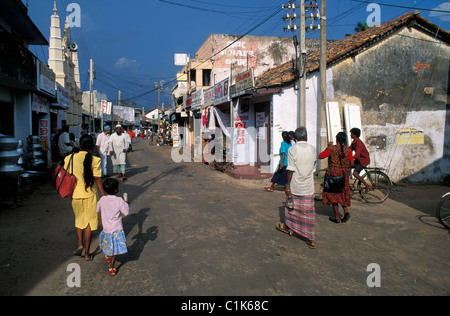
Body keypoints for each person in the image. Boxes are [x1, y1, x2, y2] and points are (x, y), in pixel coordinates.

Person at [65, 134, 106, 261]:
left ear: (79, 145)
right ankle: (87, 253)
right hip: (91, 195)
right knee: (89, 224)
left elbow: (68, 175)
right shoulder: (95, 160)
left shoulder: (70, 158)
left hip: (76, 195)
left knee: (79, 220)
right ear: (91, 147)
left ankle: (80, 245)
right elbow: (97, 179)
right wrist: (104, 195)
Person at [276, 127, 317, 249]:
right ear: (306, 136)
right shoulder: (313, 149)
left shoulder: (293, 150)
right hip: (308, 187)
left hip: (296, 186)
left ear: (296, 137)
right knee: (309, 214)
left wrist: (287, 186)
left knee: (290, 210)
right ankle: (311, 239)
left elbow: (290, 169)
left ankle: (288, 227)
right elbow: (313, 167)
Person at [319, 132, 354, 223]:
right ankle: (346, 211)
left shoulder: (332, 149)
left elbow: (321, 156)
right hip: (344, 174)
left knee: (334, 194)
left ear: (336, 139)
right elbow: (351, 163)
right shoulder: (348, 150)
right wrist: (345, 169)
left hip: (333, 174)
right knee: (342, 193)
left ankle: (337, 216)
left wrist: (327, 146)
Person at [97, 178, 129, 276]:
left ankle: (107, 255)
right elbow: (126, 212)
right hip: (116, 230)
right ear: (116, 190)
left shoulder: (102, 199)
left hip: (106, 229)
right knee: (114, 250)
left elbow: (97, 209)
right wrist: (127, 202)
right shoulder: (119, 200)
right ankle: (111, 267)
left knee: (107, 243)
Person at [350, 127, 371, 192]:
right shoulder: (354, 142)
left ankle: (367, 185)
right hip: (359, 160)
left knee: (355, 173)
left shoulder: (359, 142)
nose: (350, 135)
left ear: (354, 135)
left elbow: (357, 154)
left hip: (363, 160)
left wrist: (350, 158)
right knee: (347, 166)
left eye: (351, 134)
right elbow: (349, 149)